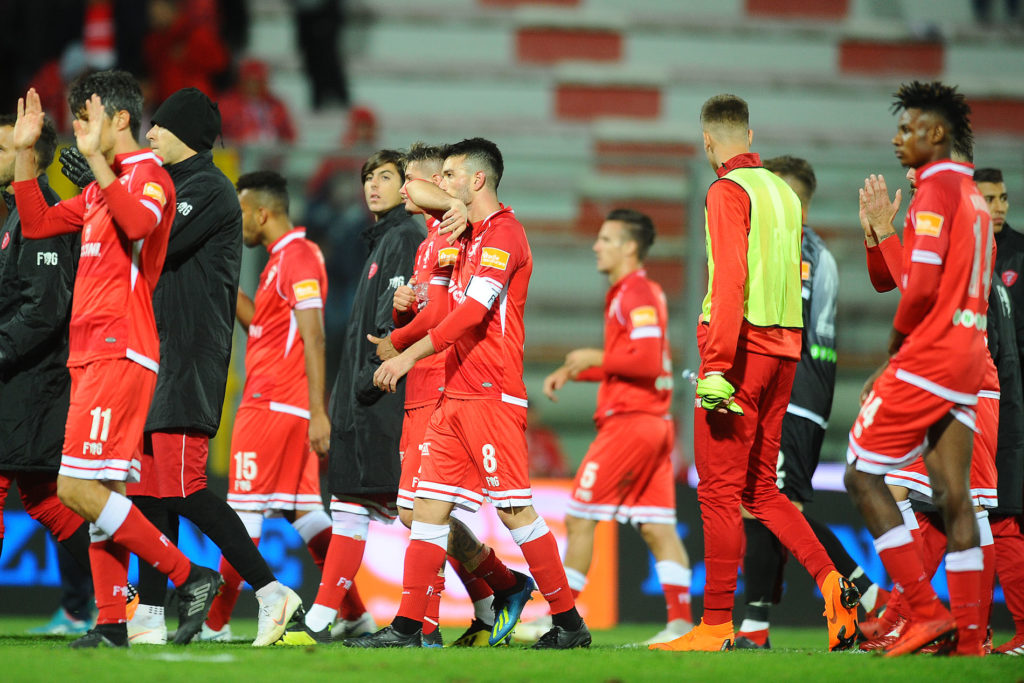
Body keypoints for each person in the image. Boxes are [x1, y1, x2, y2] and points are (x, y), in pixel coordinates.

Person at [50, 87, 303, 648]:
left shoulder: (206, 188)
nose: (151, 134)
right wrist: (103, 188)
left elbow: (144, 236)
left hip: (189, 354)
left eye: (160, 126)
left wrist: (104, 184)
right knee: (145, 487)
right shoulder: (155, 181)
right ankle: (148, 616)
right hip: (149, 350)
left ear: (183, 133)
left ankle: (270, 591)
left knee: (184, 486)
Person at [10, 71, 221, 649]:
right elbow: (38, 223)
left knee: (74, 489)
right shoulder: (108, 185)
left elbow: (139, 223)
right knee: (104, 494)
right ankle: (110, 623)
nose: (79, 129)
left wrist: (97, 168)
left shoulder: (149, 175)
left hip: (120, 346)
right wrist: (26, 153)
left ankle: (189, 576)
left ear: (119, 119)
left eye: (87, 117)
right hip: (91, 352)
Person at [356, 137, 591, 650]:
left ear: (477, 180)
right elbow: (438, 300)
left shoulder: (505, 233)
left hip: (492, 391)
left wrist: (405, 355)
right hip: (453, 392)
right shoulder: (459, 237)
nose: (440, 183)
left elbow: (472, 314)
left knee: (513, 511)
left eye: (451, 175)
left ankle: (569, 623)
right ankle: (407, 627)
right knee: (426, 509)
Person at [654, 94, 858, 653]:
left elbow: (730, 281)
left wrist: (717, 365)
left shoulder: (727, 190)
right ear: (750, 134)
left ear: (707, 141)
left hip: (740, 352)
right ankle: (833, 582)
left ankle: (716, 625)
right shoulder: (784, 194)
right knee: (761, 490)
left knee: (719, 494)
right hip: (785, 353)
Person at [844, 81, 991, 657]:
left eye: (907, 128)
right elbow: (912, 278)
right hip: (968, 358)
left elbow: (919, 287)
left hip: (930, 355)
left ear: (937, 132)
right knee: (955, 496)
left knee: (861, 474)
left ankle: (925, 613)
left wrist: (894, 352)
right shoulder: (973, 197)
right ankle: (970, 641)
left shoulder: (934, 192)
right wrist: (882, 235)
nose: (897, 138)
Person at [734, 156, 886, 649]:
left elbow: (772, 328)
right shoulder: (815, 251)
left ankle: (872, 599)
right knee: (761, 505)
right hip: (800, 395)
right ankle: (757, 628)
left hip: (792, 394)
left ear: (796, 202)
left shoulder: (796, 251)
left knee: (773, 506)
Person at [381, 142, 529, 648]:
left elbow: (449, 315)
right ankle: (492, 594)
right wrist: (402, 313)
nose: (406, 188)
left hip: (448, 380)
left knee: (422, 511)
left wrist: (398, 342)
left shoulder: (457, 234)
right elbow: (433, 307)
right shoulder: (431, 241)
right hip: (425, 384)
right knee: (418, 511)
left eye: (413, 178)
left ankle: (427, 623)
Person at [279, 149, 424, 644]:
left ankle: (497, 590)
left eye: (385, 177)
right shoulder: (383, 240)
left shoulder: (403, 238)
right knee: (360, 507)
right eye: (368, 178)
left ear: (407, 186)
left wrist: (364, 384)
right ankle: (324, 618)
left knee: (418, 513)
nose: (373, 186)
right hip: (368, 396)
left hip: (382, 397)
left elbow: (391, 328)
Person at [195, 170, 341, 640]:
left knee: (243, 513)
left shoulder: (297, 256)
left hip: (273, 402)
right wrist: (222, 284)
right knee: (306, 513)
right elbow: (264, 325)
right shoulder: (282, 259)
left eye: (241, 212)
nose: (237, 221)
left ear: (261, 213)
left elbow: (314, 335)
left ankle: (216, 623)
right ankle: (353, 611)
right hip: (283, 402)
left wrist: (319, 411)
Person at [541, 208, 693, 646]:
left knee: (579, 517)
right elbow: (634, 363)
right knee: (657, 526)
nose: (596, 246)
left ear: (629, 247)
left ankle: (563, 621)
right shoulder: (637, 292)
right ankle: (681, 624)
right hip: (655, 422)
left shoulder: (635, 292)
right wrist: (578, 371)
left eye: (606, 239)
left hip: (631, 424)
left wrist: (594, 357)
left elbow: (645, 362)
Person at [0, 113, 99, 634]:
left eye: (3, 149)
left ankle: (123, 595)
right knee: (47, 500)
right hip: (25, 381)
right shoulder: (17, 215)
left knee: (45, 497)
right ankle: (119, 598)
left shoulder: (43, 217)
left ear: (29, 155)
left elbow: (43, 311)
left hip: (31, 382)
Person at [974, 167, 1024, 656]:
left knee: (998, 515)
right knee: (992, 515)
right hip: (996, 400)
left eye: (1003, 197)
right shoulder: (980, 257)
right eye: (990, 198)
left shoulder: (1016, 255)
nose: (1000, 206)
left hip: (999, 401)